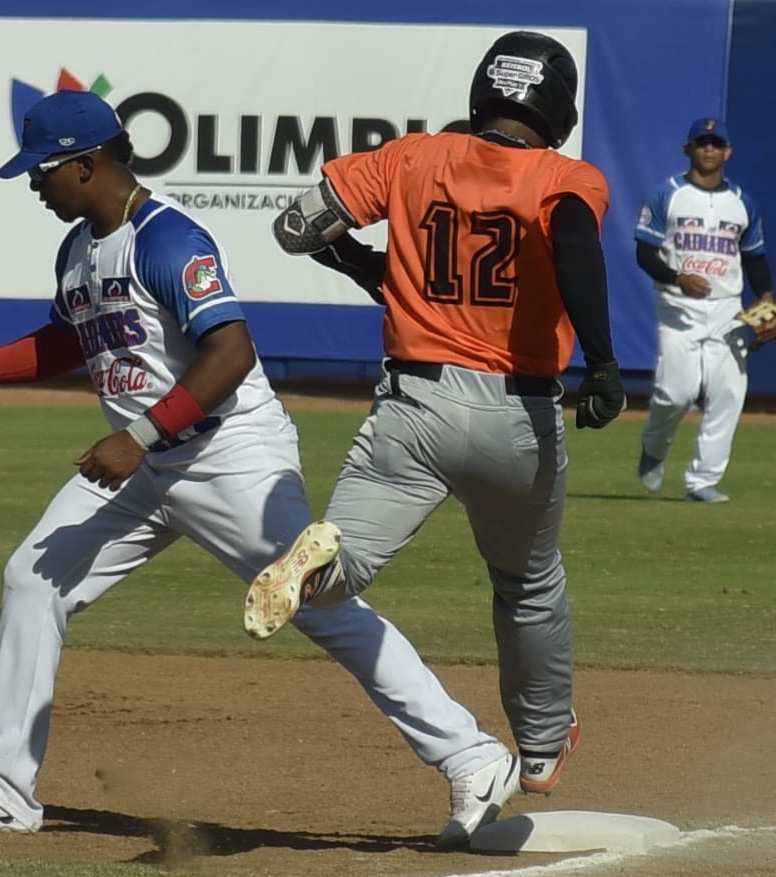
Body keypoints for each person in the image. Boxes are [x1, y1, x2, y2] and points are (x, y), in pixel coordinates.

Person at [0, 90, 520, 848]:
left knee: (318, 604)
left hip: (229, 457)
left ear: (86, 165)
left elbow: (232, 351)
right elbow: (67, 341)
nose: (33, 183)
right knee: (32, 579)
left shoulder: (167, 238)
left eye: (42, 169)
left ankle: (472, 755)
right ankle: (2, 786)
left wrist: (140, 434)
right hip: (148, 464)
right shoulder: (79, 248)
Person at [245, 31, 626, 798]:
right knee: (527, 583)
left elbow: (295, 226)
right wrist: (603, 360)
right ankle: (541, 747)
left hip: (413, 406)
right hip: (515, 414)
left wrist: (365, 262)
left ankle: (315, 567)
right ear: (557, 107)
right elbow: (574, 244)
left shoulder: (411, 158)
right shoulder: (564, 176)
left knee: (346, 568)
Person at [634, 117, 771, 503]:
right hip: (678, 305)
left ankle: (702, 481)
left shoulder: (742, 202)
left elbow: (754, 257)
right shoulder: (667, 194)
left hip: (727, 308)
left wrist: (765, 296)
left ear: (728, 152)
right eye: (702, 142)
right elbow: (644, 252)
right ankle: (654, 450)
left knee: (728, 393)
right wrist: (678, 277)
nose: (709, 149)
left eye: (716, 143)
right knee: (676, 394)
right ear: (688, 149)